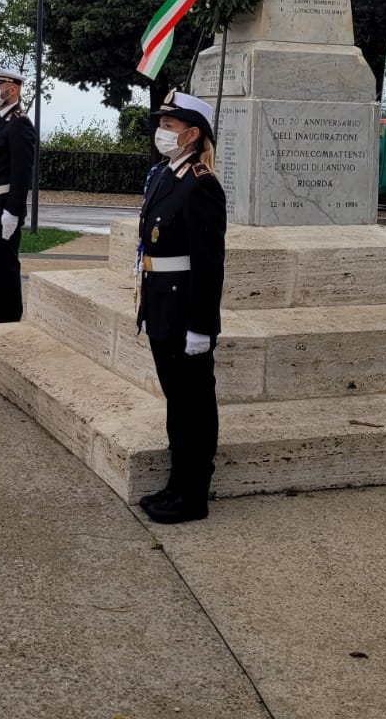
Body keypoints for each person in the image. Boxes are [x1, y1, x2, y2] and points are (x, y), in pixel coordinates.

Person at [134, 90, 227, 524]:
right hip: (160, 307)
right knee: (177, 402)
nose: (161, 132)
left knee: (194, 404)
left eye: (169, 126)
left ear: (191, 134)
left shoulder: (201, 185)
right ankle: (177, 484)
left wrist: (200, 327)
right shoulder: (164, 176)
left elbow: (208, 264)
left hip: (183, 311)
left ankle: (194, 495)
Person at [0, 67, 37, 324]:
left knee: (5, 263)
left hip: (3, 206)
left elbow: (22, 174)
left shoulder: (19, 123)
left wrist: (13, 212)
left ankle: (9, 316)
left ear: (12, 89)